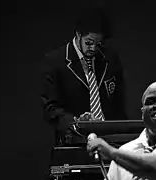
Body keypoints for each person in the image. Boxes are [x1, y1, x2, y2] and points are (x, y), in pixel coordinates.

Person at [41, 7, 127, 146]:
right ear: (78, 34)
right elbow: (50, 108)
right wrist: (76, 122)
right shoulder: (55, 62)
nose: (93, 48)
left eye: (98, 44)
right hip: (74, 140)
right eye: (88, 42)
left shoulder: (110, 59)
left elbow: (118, 104)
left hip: (110, 140)